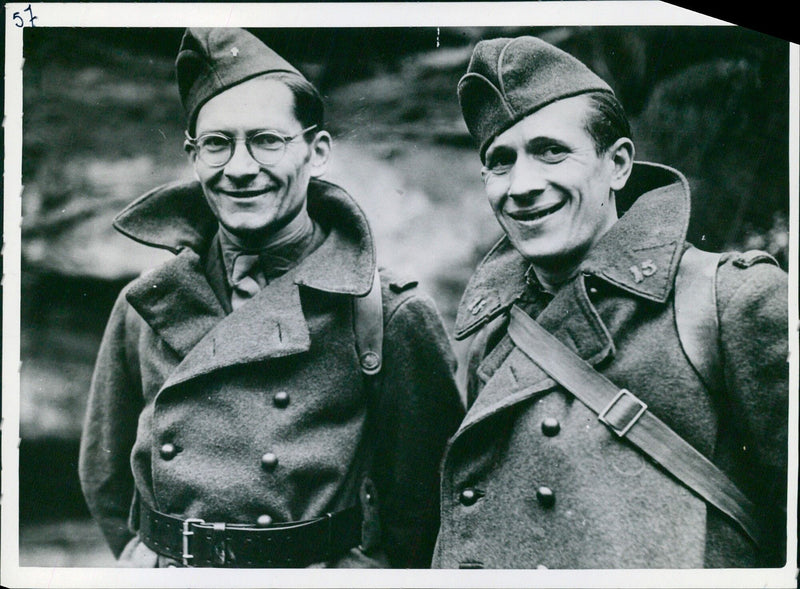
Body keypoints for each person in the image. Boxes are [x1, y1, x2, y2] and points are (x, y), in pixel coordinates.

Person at [78, 27, 464, 569]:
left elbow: (427, 501)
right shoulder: (146, 304)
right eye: (217, 143)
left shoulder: (385, 313)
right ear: (193, 156)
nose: (239, 168)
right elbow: (106, 476)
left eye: (267, 140)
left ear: (317, 150)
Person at [432, 35, 788, 569]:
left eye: (551, 151)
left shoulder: (728, 301)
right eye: (500, 162)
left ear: (618, 164)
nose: (522, 186)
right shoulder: (490, 333)